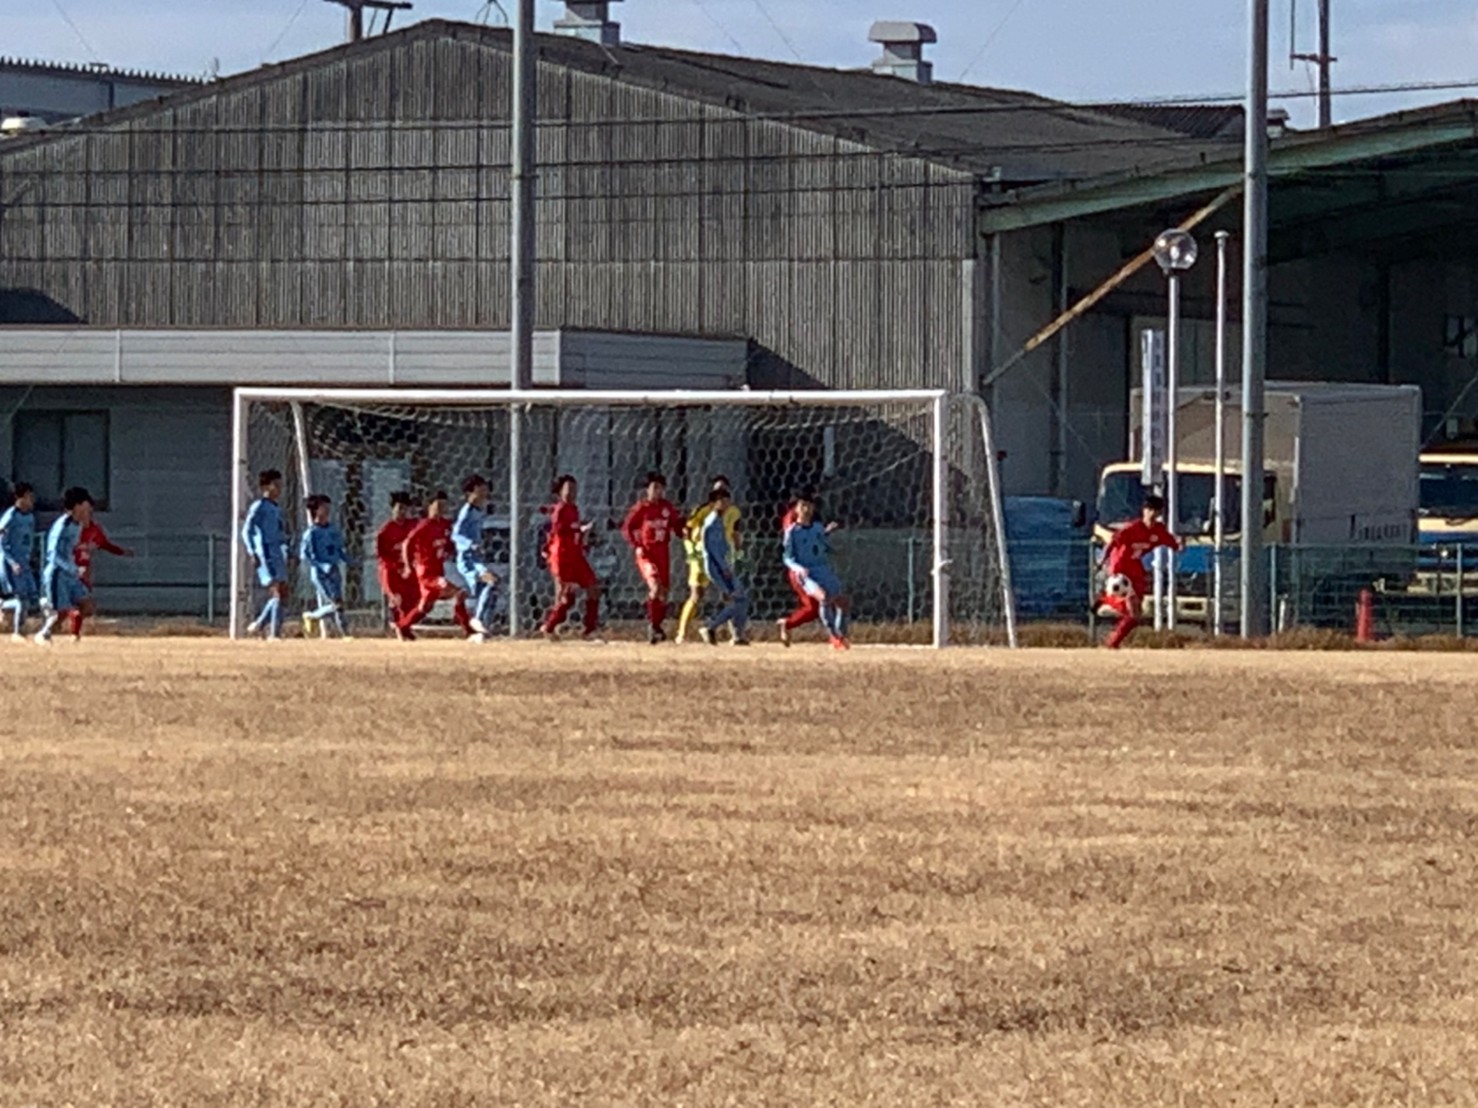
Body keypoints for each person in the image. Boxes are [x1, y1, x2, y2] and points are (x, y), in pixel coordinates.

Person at [1099, 492, 1181, 650]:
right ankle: (1112, 641)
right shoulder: (1132, 528)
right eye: (1149, 510)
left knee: (1136, 615)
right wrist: (1103, 561)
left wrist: (1179, 545)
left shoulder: (1158, 531)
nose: (1152, 514)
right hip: (1120, 568)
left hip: (1135, 569)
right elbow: (1112, 543)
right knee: (1132, 611)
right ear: (1144, 511)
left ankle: (1112, 639)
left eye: (1156, 511)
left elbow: (1172, 543)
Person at [397, 490, 473, 640]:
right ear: (429, 506)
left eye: (444, 505)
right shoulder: (424, 525)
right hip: (426, 572)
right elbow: (407, 544)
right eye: (438, 505)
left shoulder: (445, 525)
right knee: (458, 593)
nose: (441, 509)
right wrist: (407, 566)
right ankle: (469, 630)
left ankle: (403, 627)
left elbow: (450, 543)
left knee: (426, 606)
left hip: (438, 570)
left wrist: (453, 550)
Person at [780, 491, 850, 650]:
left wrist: (835, 547)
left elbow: (821, 545)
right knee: (823, 598)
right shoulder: (792, 532)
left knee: (843, 602)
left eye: (809, 505)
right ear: (796, 509)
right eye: (803, 505)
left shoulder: (818, 528)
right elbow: (787, 558)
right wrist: (799, 568)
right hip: (806, 573)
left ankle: (840, 634)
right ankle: (836, 637)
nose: (806, 509)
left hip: (822, 569)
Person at [677, 476, 742, 645]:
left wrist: (738, 556)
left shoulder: (734, 512)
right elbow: (686, 532)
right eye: (717, 492)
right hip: (701, 557)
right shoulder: (702, 510)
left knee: (730, 595)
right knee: (696, 594)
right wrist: (691, 552)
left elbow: (736, 535)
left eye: (724, 492)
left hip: (723, 557)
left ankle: (735, 635)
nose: (721, 496)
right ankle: (682, 634)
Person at [621, 471, 684, 644]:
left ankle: (657, 626)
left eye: (660, 488)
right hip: (647, 554)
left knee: (663, 592)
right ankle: (652, 625)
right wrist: (637, 545)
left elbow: (677, 526)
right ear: (647, 490)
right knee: (655, 587)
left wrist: (685, 530)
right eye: (654, 487)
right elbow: (627, 528)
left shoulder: (667, 508)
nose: (657, 491)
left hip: (663, 553)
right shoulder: (641, 508)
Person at [540, 475, 602, 641]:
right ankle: (549, 626)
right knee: (568, 596)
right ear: (560, 491)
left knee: (594, 588)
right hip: (563, 557)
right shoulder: (560, 509)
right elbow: (559, 531)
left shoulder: (574, 509)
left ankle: (590, 629)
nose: (572, 493)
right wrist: (579, 530)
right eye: (568, 489)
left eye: (574, 489)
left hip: (576, 556)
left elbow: (573, 532)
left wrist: (583, 538)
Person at [35, 487, 95, 645]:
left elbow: (70, 549)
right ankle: (43, 633)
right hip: (57, 574)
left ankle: (71, 633)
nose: (89, 509)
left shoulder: (78, 525)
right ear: (77, 506)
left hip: (71, 574)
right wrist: (71, 568)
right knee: (60, 613)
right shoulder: (62, 525)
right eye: (86, 505)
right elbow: (52, 554)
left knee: (87, 606)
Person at [241, 469, 289, 640]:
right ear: (266, 487)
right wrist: (252, 551)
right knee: (277, 591)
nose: (279, 488)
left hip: (277, 553)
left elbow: (279, 532)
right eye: (276, 485)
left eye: (280, 485)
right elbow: (246, 530)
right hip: (266, 552)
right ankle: (274, 634)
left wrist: (286, 548)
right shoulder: (259, 506)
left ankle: (260, 624)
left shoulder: (276, 508)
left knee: (283, 593)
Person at [698, 487, 749, 647]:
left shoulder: (718, 520)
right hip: (717, 567)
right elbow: (713, 549)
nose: (725, 504)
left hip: (722, 565)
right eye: (721, 501)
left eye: (727, 500)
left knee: (739, 598)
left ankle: (736, 635)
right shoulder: (713, 522)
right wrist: (724, 567)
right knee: (739, 598)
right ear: (713, 504)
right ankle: (711, 627)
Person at [69, 516, 132, 640]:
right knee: (75, 602)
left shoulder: (95, 530)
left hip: (84, 571)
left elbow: (105, 544)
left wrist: (122, 551)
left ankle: (74, 630)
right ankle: (71, 629)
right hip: (69, 570)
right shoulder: (70, 530)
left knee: (86, 607)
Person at [453, 475, 499, 643]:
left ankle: (481, 633)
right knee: (491, 581)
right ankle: (477, 620)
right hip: (467, 559)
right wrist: (470, 544)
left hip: (476, 558)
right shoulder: (467, 511)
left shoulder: (479, 511)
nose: (485, 492)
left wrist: (482, 540)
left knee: (491, 592)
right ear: (470, 493)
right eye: (481, 489)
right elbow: (455, 534)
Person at [300, 494, 352, 639]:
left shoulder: (333, 529)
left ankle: (344, 633)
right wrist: (322, 566)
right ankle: (313, 616)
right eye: (323, 506)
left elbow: (339, 549)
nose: (327, 509)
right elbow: (306, 556)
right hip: (320, 573)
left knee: (338, 603)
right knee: (336, 604)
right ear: (315, 510)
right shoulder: (311, 533)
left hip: (334, 570)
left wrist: (348, 560)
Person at [375, 491, 419, 637]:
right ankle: (399, 626)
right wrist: (396, 566)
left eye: (405, 508)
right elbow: (382, 555)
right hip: (391, 571)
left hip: (408, 569)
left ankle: (404, 626)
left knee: (413, 599)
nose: (402, 512)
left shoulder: (413, 526)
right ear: (393, 508)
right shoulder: (385, 531)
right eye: (399, 508)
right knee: (397, 598)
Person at [0, 482, 38, 641]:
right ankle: (18, 632)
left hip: (25, 563)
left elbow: (29, 539)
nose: (31, 500)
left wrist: (31, 557)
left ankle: (2, 606)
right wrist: (11, 562)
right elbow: (1, 543)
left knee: (33, 598)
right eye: (28, 497)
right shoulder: (10, 517)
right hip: (12, 564)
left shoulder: (30, 517)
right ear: (19, 498)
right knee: (22, 598)